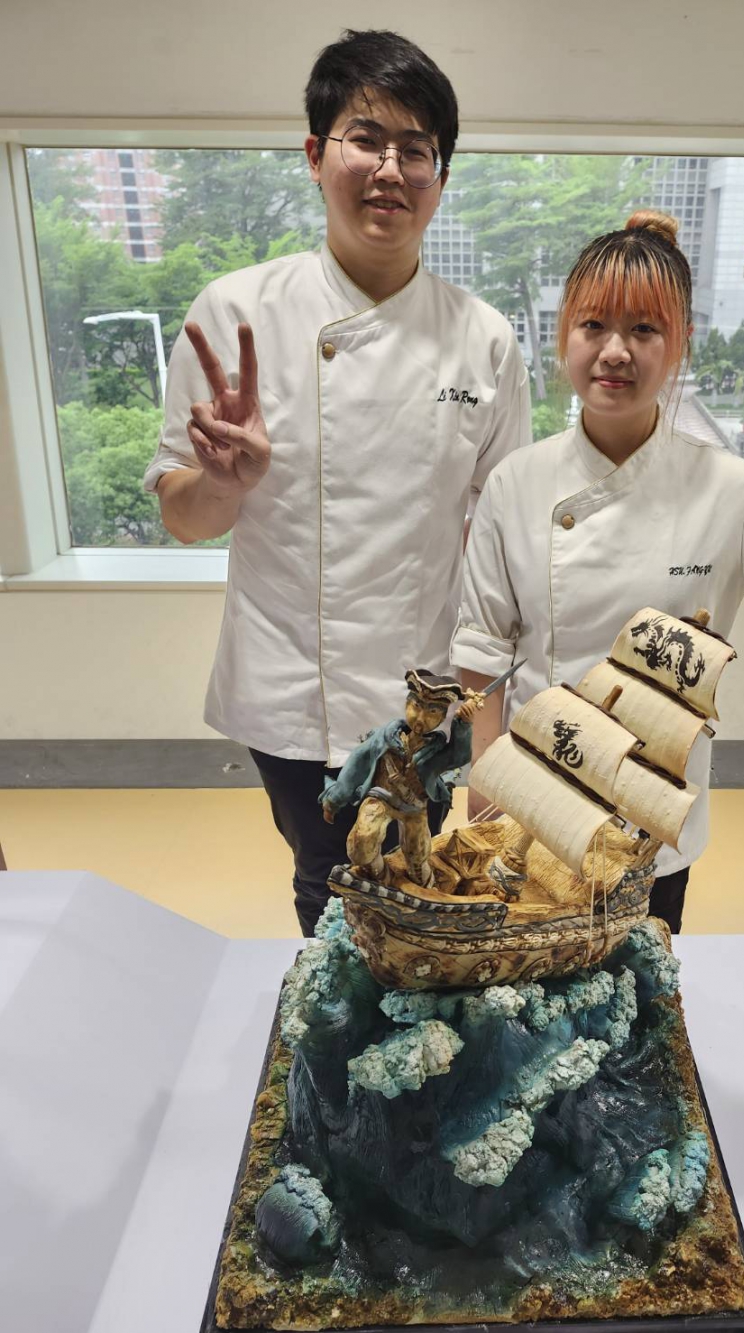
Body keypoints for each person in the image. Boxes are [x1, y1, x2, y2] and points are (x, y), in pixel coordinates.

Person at [142, 30, 531, 936]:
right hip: (290, 682)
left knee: (415, 883)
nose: (390, 169)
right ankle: (334, 1018)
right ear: (316, 155)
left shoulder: (484, 339)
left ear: (440, 177)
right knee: (328, 883)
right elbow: (185, 519)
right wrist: (224, 484)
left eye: (415, 150)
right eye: (366, 140)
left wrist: (493, 716)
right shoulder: (235, 313)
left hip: (427, 690)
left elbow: (499, 542)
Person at [452, 210, 744, 934]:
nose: (615, 351)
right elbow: (483, 650)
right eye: (593, 326)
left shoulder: (727, 487)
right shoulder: (516, 481)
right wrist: (484, 788)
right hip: (534, 789)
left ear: (679, 343)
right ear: (563, 336)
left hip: (651, 805)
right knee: (526, 985)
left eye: (644, 330)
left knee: (638, 981)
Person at [319, 669, 476, 888]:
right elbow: (356, 763)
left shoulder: (436, 751)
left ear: (442, 717)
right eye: (416, 706)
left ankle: (424, 887)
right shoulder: (384, 739)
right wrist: (335, 799)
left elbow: (459, 756)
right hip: (380, 798)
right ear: (407, 703)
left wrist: (463, 725)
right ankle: (380, 877)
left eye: (432, 711)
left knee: (418, 855)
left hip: (414, 807)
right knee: (361, 842)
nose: (421, 718)